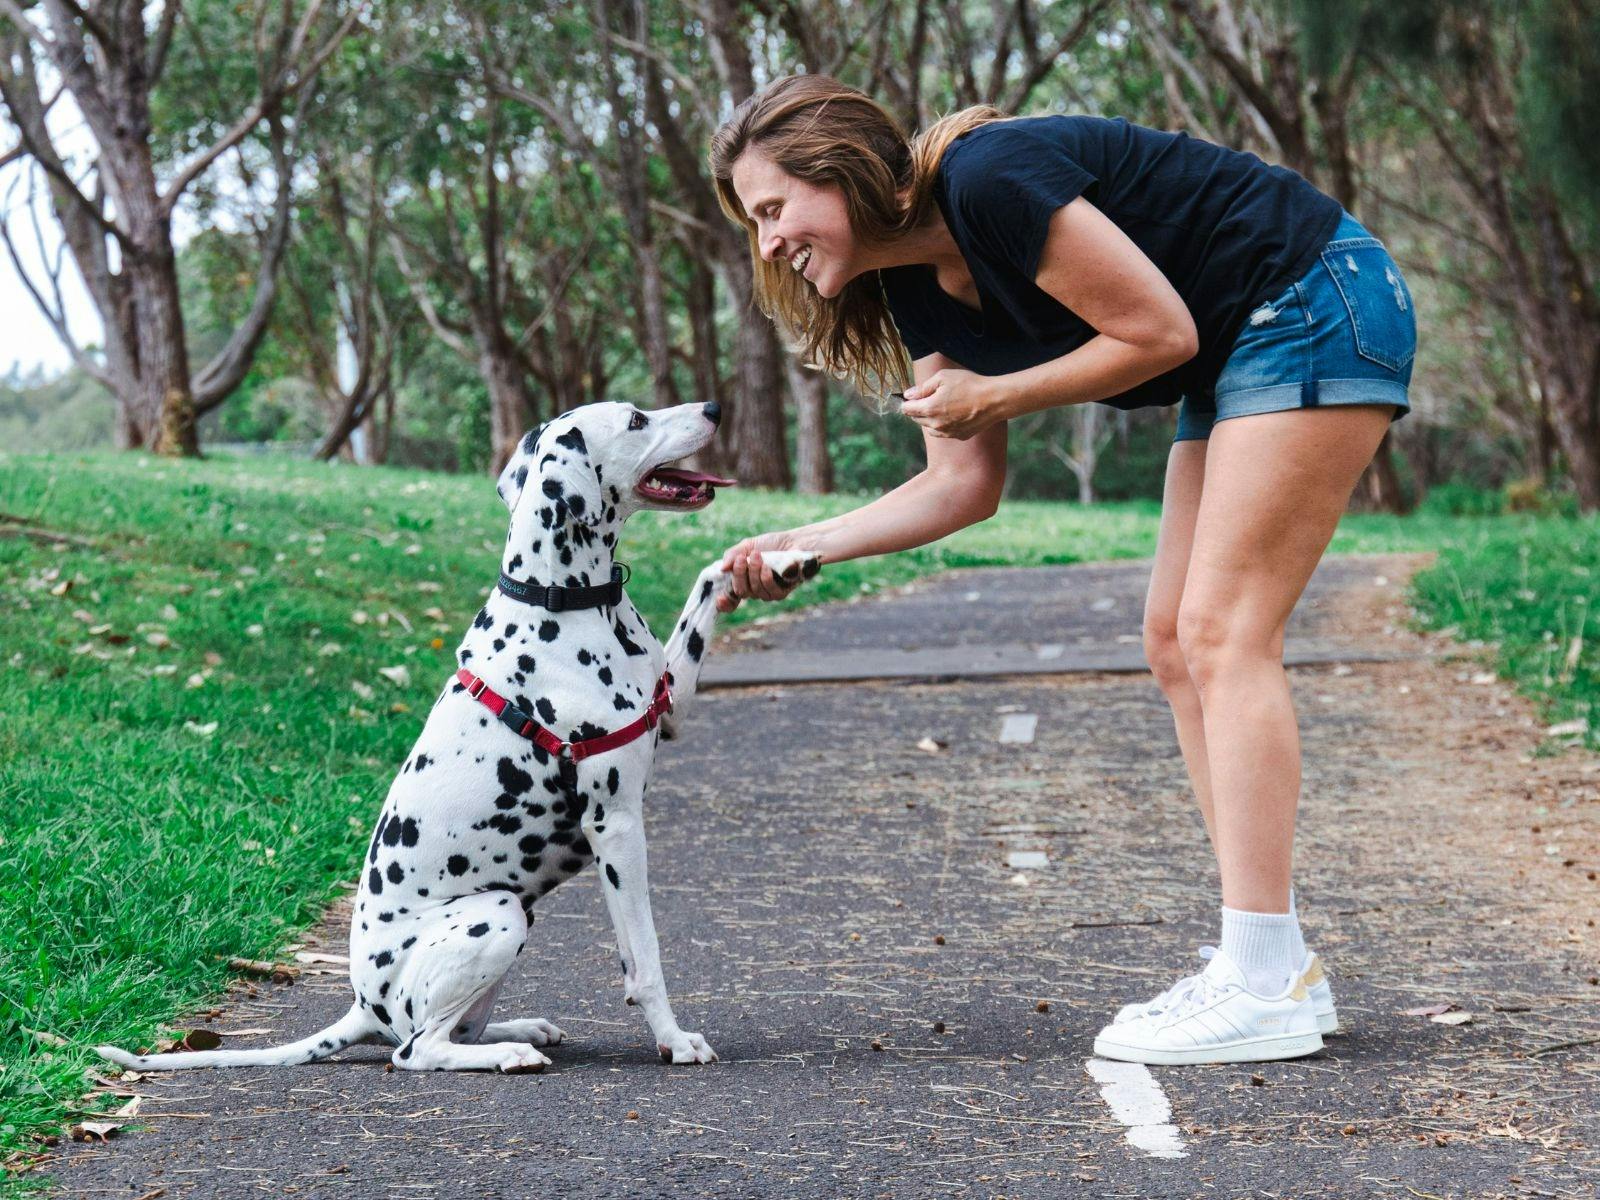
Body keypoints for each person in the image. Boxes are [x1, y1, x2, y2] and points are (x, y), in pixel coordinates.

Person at [707, 74, 1415, 1066]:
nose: (768, 240)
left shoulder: (988, 178)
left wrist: (995, 395)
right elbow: (960, 485)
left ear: (839, 171)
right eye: (755, 223)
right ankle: (1267, 960)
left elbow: (1156, 334)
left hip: (1308, 295)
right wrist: (806, 545)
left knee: (1222, 632)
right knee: (1173, 641)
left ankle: (1263, 980)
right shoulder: (912, 285)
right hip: (1238, 343)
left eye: (774, 208)